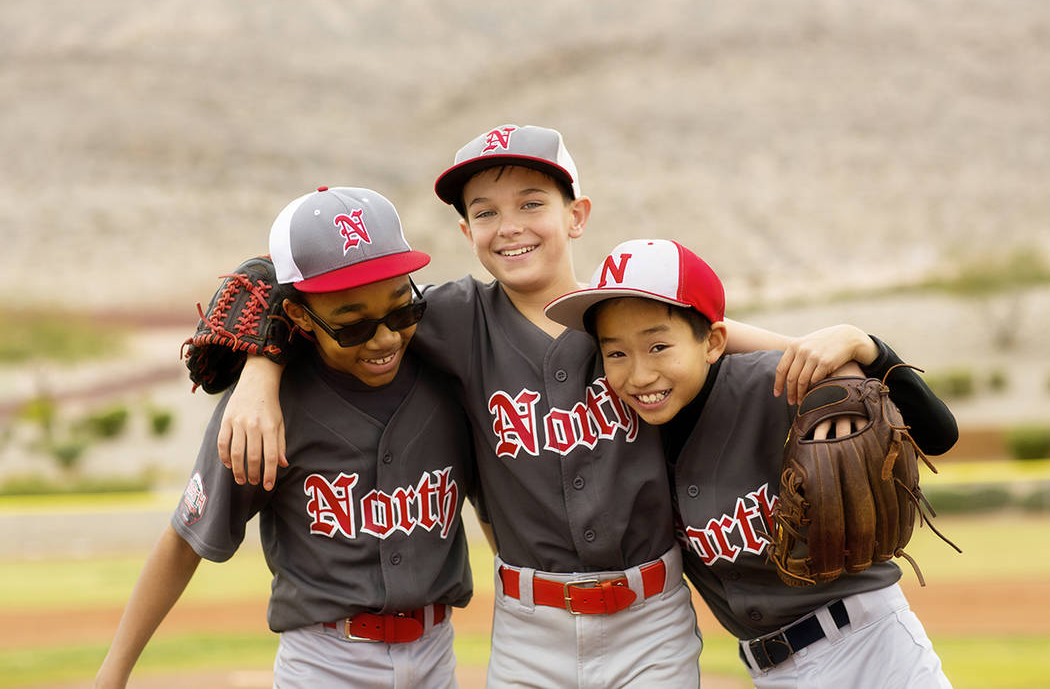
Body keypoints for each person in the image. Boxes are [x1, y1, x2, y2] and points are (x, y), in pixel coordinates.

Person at [214, 125, 879, 687]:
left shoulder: (622, 316)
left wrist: (839, 344)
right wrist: (261, 370)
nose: (510, 227)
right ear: (466, 229)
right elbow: (299, 284)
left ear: (576, 215)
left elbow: (715, 336)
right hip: (530, 630)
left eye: (532, 202)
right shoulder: (449, 317)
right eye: (485, 211)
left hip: (650, 620)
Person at [95, 187, 475, 689]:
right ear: (297, 316)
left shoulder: (448, 363)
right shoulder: (261, 414)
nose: (384, 338)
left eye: (402, 309)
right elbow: (184, 542)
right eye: (352, 326)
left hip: (437, 655)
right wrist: (112, 675)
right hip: (326, 662)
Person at [544, 238, 957, 688]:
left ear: (715, 341)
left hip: (871, 649)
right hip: (770, 671)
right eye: (616, 354)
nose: (640, 375)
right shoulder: (622, 428)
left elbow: (939, 434)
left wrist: (868, 348)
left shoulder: (778, 385)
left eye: (659, 347)